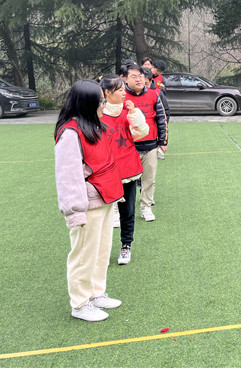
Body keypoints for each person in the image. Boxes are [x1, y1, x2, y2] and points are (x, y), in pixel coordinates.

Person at [54, 80, 125, 322]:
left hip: (105, 200)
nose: (104, 105)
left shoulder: (95, 126)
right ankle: (80, 303)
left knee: (101, 250)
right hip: (87, 204)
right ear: (87, 103)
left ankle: (96, 293)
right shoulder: (70, 133)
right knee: (84, 254)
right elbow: (68, 177)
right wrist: (75, 213)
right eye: (101, 102)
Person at [100, 75, 149, 265]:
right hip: (106, 171)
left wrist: (134, 113)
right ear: (107, 92)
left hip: (129, 169)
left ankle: (126, 246)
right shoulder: (99, 114)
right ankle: (102, 250)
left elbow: (142, 132)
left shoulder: (129, 111)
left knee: (127, 211)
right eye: (119, 89)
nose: (123, 93)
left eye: (123, 89)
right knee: (104, 214)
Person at [121, 64, 168, 222]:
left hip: (150, 145)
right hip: (127, 147)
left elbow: (161, 118)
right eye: (133, 76)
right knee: (125, 179)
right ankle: (119, 209)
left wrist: (163, 141)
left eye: (140, 76)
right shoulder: (120, 96)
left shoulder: (154, 95)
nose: (138, 79)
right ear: (126, 79)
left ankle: (146, 207)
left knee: (149, 178)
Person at [143, 67, 170, 160]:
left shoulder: (156, 93)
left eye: (146, 84)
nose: (143, 86)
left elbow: (164, 114)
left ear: (151, 81)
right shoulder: (128, 95)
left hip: (152, 137)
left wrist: (162, 140)